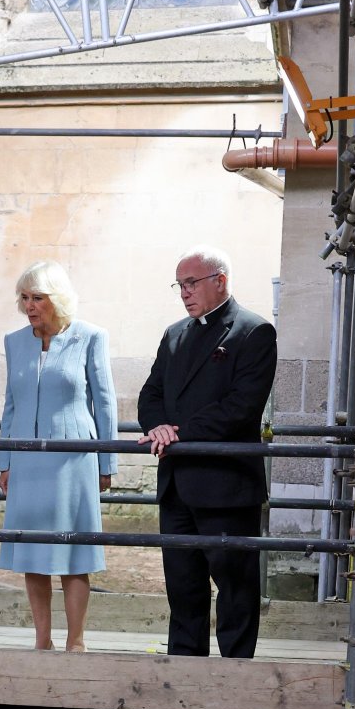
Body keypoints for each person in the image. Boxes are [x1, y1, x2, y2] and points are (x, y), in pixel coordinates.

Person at [137, 246, 277, 659]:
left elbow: (241, 407)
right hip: (178, 484)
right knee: (182, 588)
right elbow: (151, 393)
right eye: (180, 284)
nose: (184, 292)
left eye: (192, 282)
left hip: (226, 484)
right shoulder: (175, 333)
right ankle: (183, 677)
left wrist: (176, 433)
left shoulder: (253, 332)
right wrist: (156, 426)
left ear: (221, 280)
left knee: (234, 589)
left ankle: (235, 680)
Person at [0, 262, 117, 652]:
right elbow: (10, 405)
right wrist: (5, 461)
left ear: (57, 299)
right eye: (25, 298)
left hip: (73, 459)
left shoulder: (90, 337)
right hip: (26, 460)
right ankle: (42, 640)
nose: (29, 306)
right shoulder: (14, 342)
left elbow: (105, 404)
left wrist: (106, 462)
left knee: (74, 551)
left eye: (38, 298)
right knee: (32, 550)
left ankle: (76, 641)